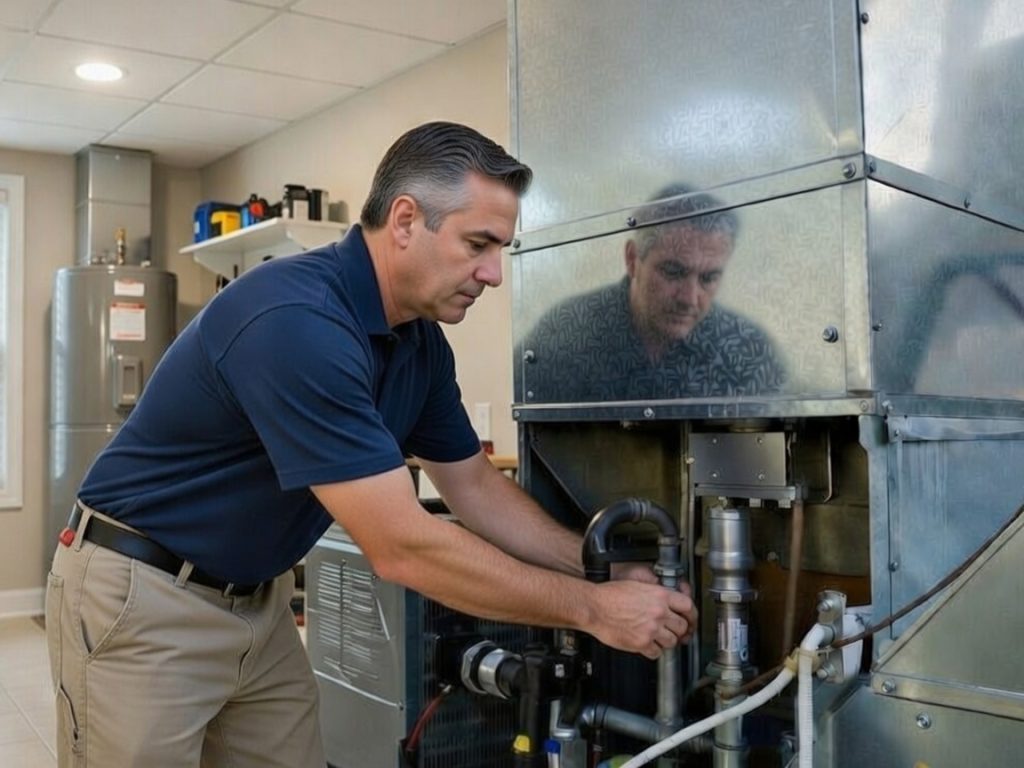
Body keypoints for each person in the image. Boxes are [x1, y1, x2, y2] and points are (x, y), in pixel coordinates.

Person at [45, 122, 698, 767]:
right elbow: (401, 547)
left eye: (501, 249)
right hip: (145, 593)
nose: (494, 274)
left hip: (257, 602)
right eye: (478, 244)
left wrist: (595, 567)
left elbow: (474, 487)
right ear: (406, 220)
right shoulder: (297, 321)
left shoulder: (419, 344)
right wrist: (593, 609)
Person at [521, 184, 785, 402]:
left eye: (708, 278)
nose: (689, 298)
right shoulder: (565, 334)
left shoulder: (748, 350)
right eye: (673, 272)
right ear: (632, 259)